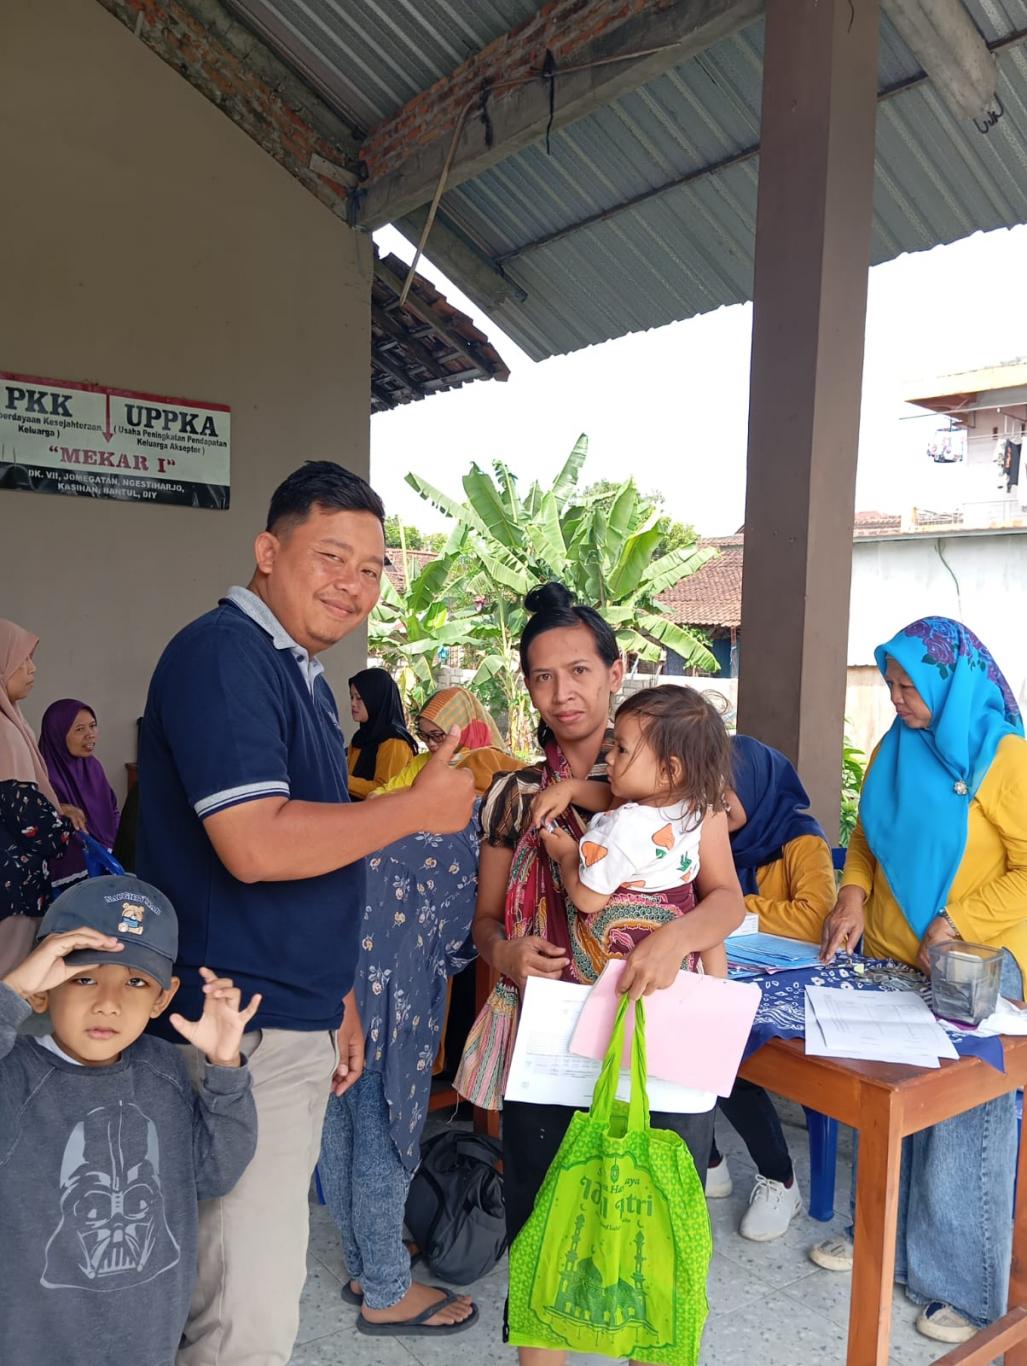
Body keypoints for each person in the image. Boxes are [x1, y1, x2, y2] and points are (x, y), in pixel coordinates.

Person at [136, 460, 475, 1366]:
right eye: (330, 556)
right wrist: (416, 809)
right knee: (243, 1313)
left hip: (291, 1008)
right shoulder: (223, 655)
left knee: (243, 1277)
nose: (351, 585)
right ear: (266, 550)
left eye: (370, 569)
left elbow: (314, 852)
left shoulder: (303, 676)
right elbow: (254, 844)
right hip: (234, 1025)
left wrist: (339, 994)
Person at [455, 582, 745, 1366]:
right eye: (542, 677)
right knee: (545, 1230)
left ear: (615, 672)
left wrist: (674, 938)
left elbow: (725, 898)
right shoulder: (516, 794)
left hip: (660, 1038)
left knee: (655, 1234)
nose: (562, 693)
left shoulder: (689, 790)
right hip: (550, 1038)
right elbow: (483, 921)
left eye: (579, 670)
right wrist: (503, 954)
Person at [812, 616, 1027, 1346]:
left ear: (949, 681)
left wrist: (956, 920)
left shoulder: (1001, 756)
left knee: (963, 1105)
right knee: (890, 1095)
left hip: (975, 962)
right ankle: (883, 1239)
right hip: (896, 950)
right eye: (892, 685)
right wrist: (851, 894)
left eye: (908, 686)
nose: (897, 699)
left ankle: (959, 1282)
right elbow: (866, 836)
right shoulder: (895, 745)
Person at [0, 874, 258, 1366]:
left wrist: (225, 1069)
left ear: (162, 997)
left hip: (146, 1347)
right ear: (41, 987)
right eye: (84, 977)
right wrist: (10, 992)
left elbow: (213, 1174)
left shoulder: (163, 1069)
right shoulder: (15, 1075)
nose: (109, 1002)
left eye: (136, 981)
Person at [318, 822, 479, 1336]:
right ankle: (387, 1289)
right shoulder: (473, 847)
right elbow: (464, 944)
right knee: (384, 1136)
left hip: (333, 980)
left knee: (341, 1126)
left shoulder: (403, 825)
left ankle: (365, 1265)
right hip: (392, 995)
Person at [705, 735, 836, 1240]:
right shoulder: (712, 836)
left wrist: (729, 904)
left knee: (726, 1045)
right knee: (684, 1024)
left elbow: (815, 919)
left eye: (726, 792)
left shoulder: (801, 840)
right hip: (735, 971)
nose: (716, 804)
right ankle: (709, 1160)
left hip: (798, 984)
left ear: (756, 786)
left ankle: (779, 1177)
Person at [531, 684, 731, 980]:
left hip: (625, 962)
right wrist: (571, 789)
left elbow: (587, 899)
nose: (610, 758)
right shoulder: (694, 808)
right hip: (683, 959)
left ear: (669, 770)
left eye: (621, 749)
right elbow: (618, 799)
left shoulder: (624, 829)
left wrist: (567, 854)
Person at [0, 620, 82, 827]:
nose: (32, 668)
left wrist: (55, 809)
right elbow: (24, 823)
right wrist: (61, 825)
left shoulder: (14, 721)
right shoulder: (5, 733)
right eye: (23, 659)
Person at [371, 684, 522, 795]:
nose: (430, 743)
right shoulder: (422, 762)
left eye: (437, 735)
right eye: (423, 735)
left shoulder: (490, 761)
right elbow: (376, 795)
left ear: (461, 729)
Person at [39, 698, 120, 892]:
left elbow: (112, 811)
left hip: (106, 863)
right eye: (79, 729)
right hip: (64, 882)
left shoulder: (93, 767)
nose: (90, 734)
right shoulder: (41, 775)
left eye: (92, 726)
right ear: (57, 735)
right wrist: (59, 809)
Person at [348, 667, 417, 799]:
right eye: (351, 697)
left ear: (376, 699)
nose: (353, 703)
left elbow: (385, 791)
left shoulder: (395, 742)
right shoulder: (361, 737)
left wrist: (340, 779)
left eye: (359, 698)